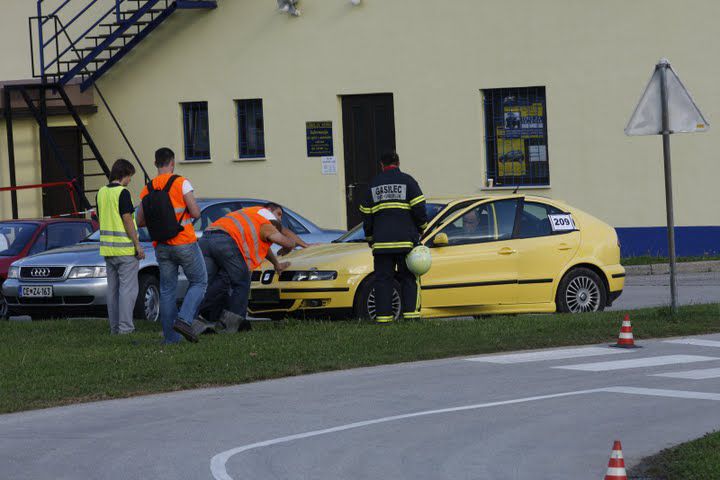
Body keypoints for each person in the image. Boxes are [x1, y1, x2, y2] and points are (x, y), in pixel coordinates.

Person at [137, 147, 207, 343]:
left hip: (161, 245)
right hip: (184, 242)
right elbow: (195, 213)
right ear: (172, 162)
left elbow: (140, 221)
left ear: (155, 163)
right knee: (199, 282)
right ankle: (184, 319)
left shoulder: (147, 189)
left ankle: (170, 338)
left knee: (167, 289)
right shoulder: (181, 182)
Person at [197, 211, 312, 326]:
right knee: (242, 282)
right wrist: (289, 246)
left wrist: (276, 264)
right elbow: (285, 241)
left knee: (203, 283)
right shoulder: (267, 225)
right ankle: (235, 324)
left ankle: (192, 320)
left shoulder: (250, 217)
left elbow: (265, 248)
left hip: (206, 238)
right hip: (224, 241)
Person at [360, 151, 428, 323]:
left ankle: (384, 319)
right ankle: (411, 317)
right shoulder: (408, 181)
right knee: (408, 278)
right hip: (406, 242)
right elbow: (419, 208)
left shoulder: (373, 185)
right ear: (398, 163)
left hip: (382, 244)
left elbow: (366, 215)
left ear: (381, 165)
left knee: (383, 281)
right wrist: (422, 228)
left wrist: (370, 238)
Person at [97, 159, 145, 335]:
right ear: (124, 174)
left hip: (108, 250)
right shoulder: (123, 193)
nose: (130, 180)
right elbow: (127, 220)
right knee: (128, 290)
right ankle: (126, 328)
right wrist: (137, 245)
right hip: (125, 250)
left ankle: (115, 328)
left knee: (113, 290)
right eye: (130, 176)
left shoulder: (101, 192)